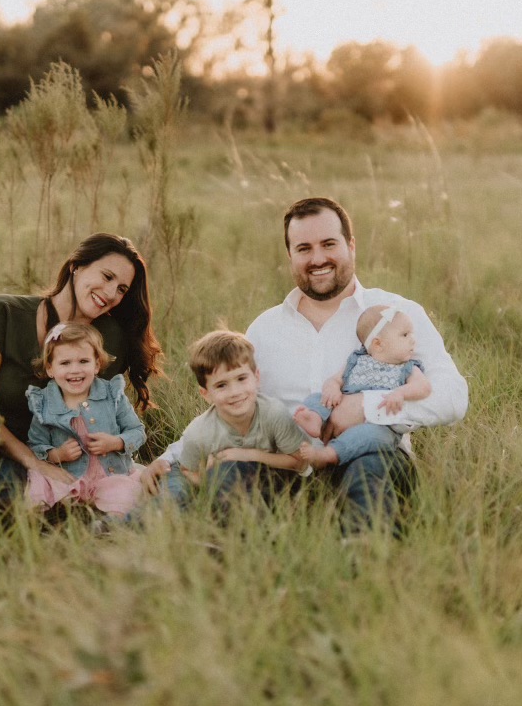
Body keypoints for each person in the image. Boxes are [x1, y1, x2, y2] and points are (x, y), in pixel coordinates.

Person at [143, 197, 467, 529]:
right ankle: (244, 562)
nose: (318, 259)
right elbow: (230, 409)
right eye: (304, 248)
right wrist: (169, 458)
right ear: (290, 256)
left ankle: (367, 559)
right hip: (284, 465)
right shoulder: (265, 329)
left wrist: (367, 408)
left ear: (351, 246)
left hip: (367, 456)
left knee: (372, 471)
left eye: (329, 244)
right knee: (230, 476)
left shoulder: (396, 314)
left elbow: (453, 396)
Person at [0, 233, 163, 507]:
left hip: (10, 458)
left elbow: (95, 415)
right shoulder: (3, 311)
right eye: (107, 277)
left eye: (121, 289)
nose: (110, 293)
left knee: (23, 492)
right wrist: (35, 463)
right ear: (76, 266)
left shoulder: (108, 340)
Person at [172, 330, 311, 503]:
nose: (235, 392)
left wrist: (246, 455)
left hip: (279, 486)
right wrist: (211, 484)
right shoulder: (199, 432)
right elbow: (186, 470)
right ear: (206, 394)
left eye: (241, 378)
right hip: (230, 493)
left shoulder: (273, 413)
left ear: (256, 378)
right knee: (225, 472)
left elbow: (300, 463)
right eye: (221, 385)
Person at [24, 323, 145, 516]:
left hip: (110, 475)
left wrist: (115, 442)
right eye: (65, 363)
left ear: (96, 365)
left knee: (125, 494)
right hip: (68, 477)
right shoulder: (44, 403)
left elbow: (137, 431)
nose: (75, 370)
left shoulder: (112, 395)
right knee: (38, 480)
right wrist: (57, 454)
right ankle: (47, 517)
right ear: (50, 369)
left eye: (83, 361)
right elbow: (36, 444)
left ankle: (111, 522)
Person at [294, 304, 431, 469]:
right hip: (339, 409)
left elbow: (423, 386)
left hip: (377, 427)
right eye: (405, 334)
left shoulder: (407, 367)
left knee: (369, 435)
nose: (412, 339)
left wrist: (401, 393)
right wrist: (333, 387)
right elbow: (336, 379)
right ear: (378, 344)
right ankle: (314, 419)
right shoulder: (357, 359)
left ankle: (329, 454)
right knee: (318, 398)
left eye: (412, 334)